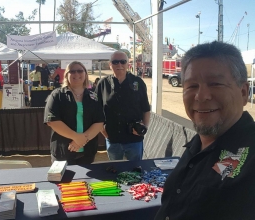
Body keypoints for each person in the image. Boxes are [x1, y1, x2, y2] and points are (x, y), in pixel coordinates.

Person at [155, 41, 255, 220]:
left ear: (243, 92)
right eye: (192, 86)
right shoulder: (196, 145)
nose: (201, 96)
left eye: (215, 83)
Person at [44, 61, 105, 165]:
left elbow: (99, 122)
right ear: (66, 75)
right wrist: (76, 137)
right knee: (63, 181)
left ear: (85, 74)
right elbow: (52, 121)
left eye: (80, 71)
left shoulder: (93, 97)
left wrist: (81, 141)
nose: (76, 74)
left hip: (87, 152)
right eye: (72, 71)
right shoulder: (57, 95)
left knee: (85, 181)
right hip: (62, 152)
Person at [95, 51, 151, 161]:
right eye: (115, 62)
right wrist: (103, 131)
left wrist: (144, 127)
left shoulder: (138, 82)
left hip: (134, 139)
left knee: (135, 171)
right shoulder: (103, 84)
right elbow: (96, 111)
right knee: (115, 171)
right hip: (112, 138)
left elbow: (146, 109)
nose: (119, 65)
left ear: (127, 64)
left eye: (123, 61)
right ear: (110, 64)